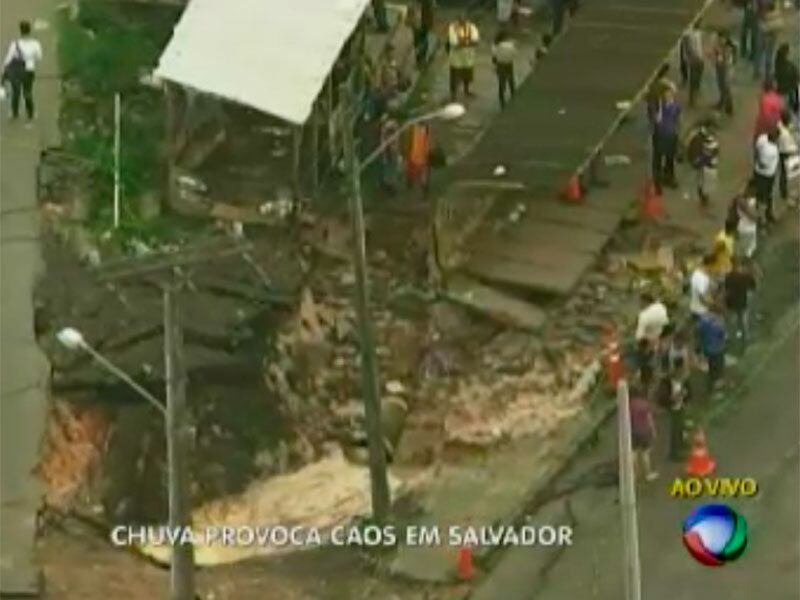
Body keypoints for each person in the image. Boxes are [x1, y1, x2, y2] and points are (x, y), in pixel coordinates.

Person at [2, 20, 43, 122]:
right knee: (27, 92)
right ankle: (31, 114)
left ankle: (14, 113)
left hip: (17, 71)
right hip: (29, 70)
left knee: (16, 92)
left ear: (20, 31)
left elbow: (8, 58)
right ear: (30, 30)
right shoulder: (35, 44)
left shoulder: (15, 44)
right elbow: (39, 57)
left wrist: (4, 70)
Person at [635, 292, 669, 388]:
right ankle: (654, 380)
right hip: (659, 340)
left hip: (647, 344)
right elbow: (666, 325)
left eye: (640, 302)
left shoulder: (644, 315)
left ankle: (647, 383)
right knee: (656, 363)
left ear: (645, 301)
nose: (639, 304)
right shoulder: (661, 307)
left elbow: (639, 336)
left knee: (647, 365)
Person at [652, 84, 681, 193]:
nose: (668, 96)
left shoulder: (675, 106)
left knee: (670, 159)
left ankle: (669, 178)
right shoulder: (659, 106)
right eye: (666, 94)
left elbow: (677, 120)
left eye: (670, 94)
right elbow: (656, 120)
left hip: (671, 135)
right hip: (660, 135)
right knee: (658, 160)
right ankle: (657, 183)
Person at [685, 117, 720, 209]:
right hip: (703, 163)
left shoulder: (709, 136)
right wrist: (699, 160)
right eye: (713, 128)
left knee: (705, 181)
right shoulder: (700, 136)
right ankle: (701, 196)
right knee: (701, 180)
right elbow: (694, 148)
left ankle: (703, 196)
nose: (714, 130)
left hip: (707, 163)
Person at [724, 256, 757, 344]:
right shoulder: (745, 275)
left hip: (732, 301)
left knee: (735, 318)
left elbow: (727, 289)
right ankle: (746, 336)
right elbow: (753, 287)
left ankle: (734, 334)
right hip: (743, 299)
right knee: (744, 317)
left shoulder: (728, 276)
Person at [447, 15, 480, 100]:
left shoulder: (472, 27)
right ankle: (453, 94)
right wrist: (468, 43)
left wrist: (463, 43)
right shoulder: (452, 27)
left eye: (464, 20)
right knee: (455, 76)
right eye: (460, 20)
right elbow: (454, 43)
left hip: (468, 56)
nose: (462, 22)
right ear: (458, 20)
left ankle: (466, 90)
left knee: (467, 74)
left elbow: (476, 41)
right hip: (456, 58)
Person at [629, 387, 659, 482]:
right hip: (644, 431)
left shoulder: (629, 404)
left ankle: (634, 474)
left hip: (633, 431)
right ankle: (648, 473)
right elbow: (649, 418)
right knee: (645, 453)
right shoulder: (646, 405)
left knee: (633, 453)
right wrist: (654, 431)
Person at [753, 127, 780, 224]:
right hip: (767, 175)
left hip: (758, 173)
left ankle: (766, 214)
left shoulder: (761, 138)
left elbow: (756, 150)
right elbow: (763, 164)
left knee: (763, 195)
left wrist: (757, 160)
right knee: (764, 197)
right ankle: (762, 218)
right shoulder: (772, 150)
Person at [696, 307, 727, 392]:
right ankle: (718, 386)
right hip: (717, 348)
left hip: (707, 348)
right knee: (718, 367)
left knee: (711, 367)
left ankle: (711, 384)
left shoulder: (704, 320)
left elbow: (699, 331)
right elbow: (722, 335)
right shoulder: (719, 321)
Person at [755, 0, 782, 82]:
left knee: (761, 50)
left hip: (765, 26)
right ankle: (766, 74)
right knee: (768, 53)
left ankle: (758, 72)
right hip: (771, 26)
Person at [681, 24, 705, 107]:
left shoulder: (698, 33)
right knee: (694, 79)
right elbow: (687, 48)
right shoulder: (687, 34)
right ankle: (692, 100)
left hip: (700, 58)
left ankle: (695, 96)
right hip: (694, 59)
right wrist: (688, 59)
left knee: (697, 79)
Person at [777, 110, 799, 205]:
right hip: (786, 154)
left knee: (784, 174)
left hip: (782, 152)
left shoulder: (779, 125)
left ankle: (786, 193)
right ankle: (787, 196)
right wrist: (797, 149)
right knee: (788, 175)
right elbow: (789, 148)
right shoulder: (784, 135)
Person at [491, 29, 516, 109]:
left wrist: (495, 65)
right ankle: (514, 97)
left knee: (501, 84)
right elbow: (514, 54)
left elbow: (494, 58)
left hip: (500, 65)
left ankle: (502, 102)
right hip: (509, 64)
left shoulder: (495, 45)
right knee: (511, 82)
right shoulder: (511, 45)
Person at [713, 32, 736, 115]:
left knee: (726, 88)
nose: (720, 40)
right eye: (719, 39)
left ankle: (729, 107)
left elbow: (725, 60)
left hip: (726, 70)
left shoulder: (728, 48)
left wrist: (719, 54)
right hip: (721, 69)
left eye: (721, 38)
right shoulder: (720, 47)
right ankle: (722, 102)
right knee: (721, 86)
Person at [774, 43, 800, 114]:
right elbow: (796, 79)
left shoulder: (778, 64)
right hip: (789, 90)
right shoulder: (790, 67)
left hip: (781, 89)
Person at [735, 187, 760, 257]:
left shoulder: (742, 202)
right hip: (747, 229)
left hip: (744, 227)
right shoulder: (747, 203)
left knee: (747, 247)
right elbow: (752, 216)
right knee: (747, 249)